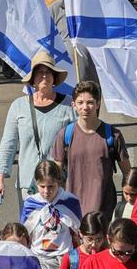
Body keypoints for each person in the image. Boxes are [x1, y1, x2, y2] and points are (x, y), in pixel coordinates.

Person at [0, 52, 76, 210]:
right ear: (33, 79)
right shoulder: (18, 106)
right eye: (40, 72)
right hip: (28, 185)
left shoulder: (69, 106)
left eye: (48, 72)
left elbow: (79, 144)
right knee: (30, 231)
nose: (44, 76)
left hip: (58, 184)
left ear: (54, 77)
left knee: (58, 230)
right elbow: (8, 144)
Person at [52, 81, 131, 217]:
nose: (85, 107)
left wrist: (125, 205)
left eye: (90, 102)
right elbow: (55, 176)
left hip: (105, 212)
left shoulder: (113, 135)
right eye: (80, 102)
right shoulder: (64, 135)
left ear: (98, 104)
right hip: (72, 211)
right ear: (73, 105)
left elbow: (128, 173)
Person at [21, 160, 82, 269]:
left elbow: (79, 232)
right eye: (42, 186)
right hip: (39, 257)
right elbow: (24, 235)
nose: (46, 191)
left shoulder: (69, 202)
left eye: (51, 186)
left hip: (64, 258)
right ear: (36, 183)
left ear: (58, 182)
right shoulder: (31, 204)